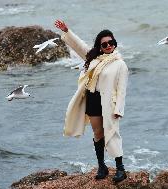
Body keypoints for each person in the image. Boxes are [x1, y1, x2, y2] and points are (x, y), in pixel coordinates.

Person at [55, 19, 129, 182]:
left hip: (110, 104)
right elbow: (79, 45)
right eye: (104, 44)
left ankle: (120, 169)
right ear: (99, 46)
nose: (108, 46)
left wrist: (119, 109)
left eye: (111, 42)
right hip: (93, 101)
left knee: (113, 133)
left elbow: (122, 90)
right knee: (98, 133)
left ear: (115, 43)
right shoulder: (95, 57)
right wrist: (67, 31)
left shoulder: (120, 64)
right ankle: (102, 166)